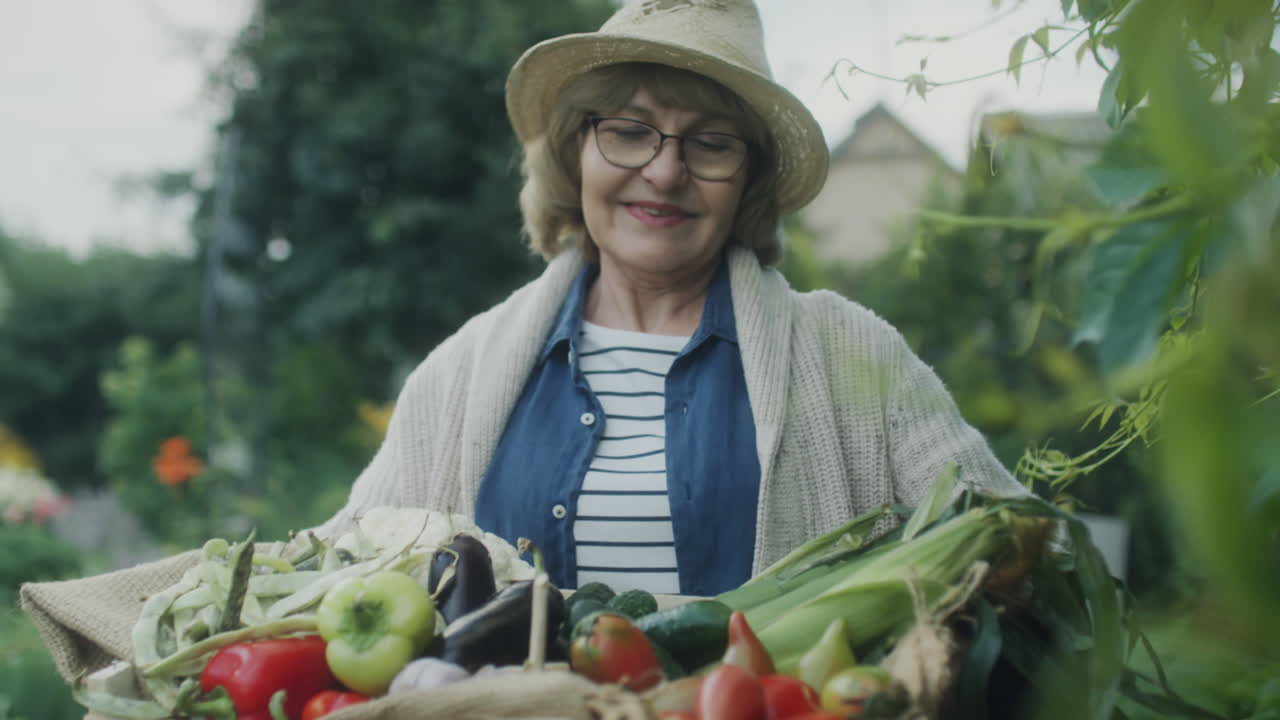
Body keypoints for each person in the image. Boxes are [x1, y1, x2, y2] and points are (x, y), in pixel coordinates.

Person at [317, 0, 1026, 596]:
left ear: (748, 180)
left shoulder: (852, 354)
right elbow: (340, 564)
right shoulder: (464, 372)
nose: (664, 171)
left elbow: (1018, 546)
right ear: (575, 153)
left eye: (711, 144)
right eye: (628, 132)